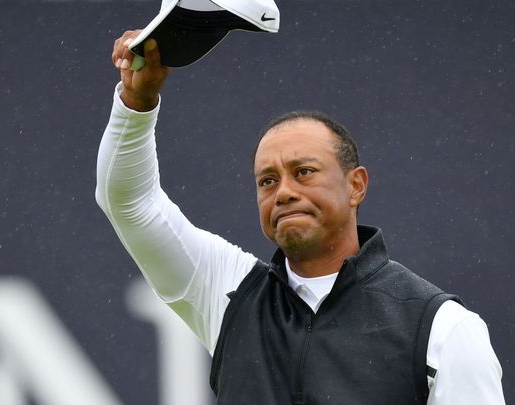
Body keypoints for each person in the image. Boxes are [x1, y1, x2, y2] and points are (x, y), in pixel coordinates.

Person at [96, 31, 505, 404]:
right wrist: (136, 103)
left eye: (304, 172)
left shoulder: (442, 328)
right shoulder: (228, 292)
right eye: (267, 181)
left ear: (356, 185)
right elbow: (130, 203)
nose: (284, 191)